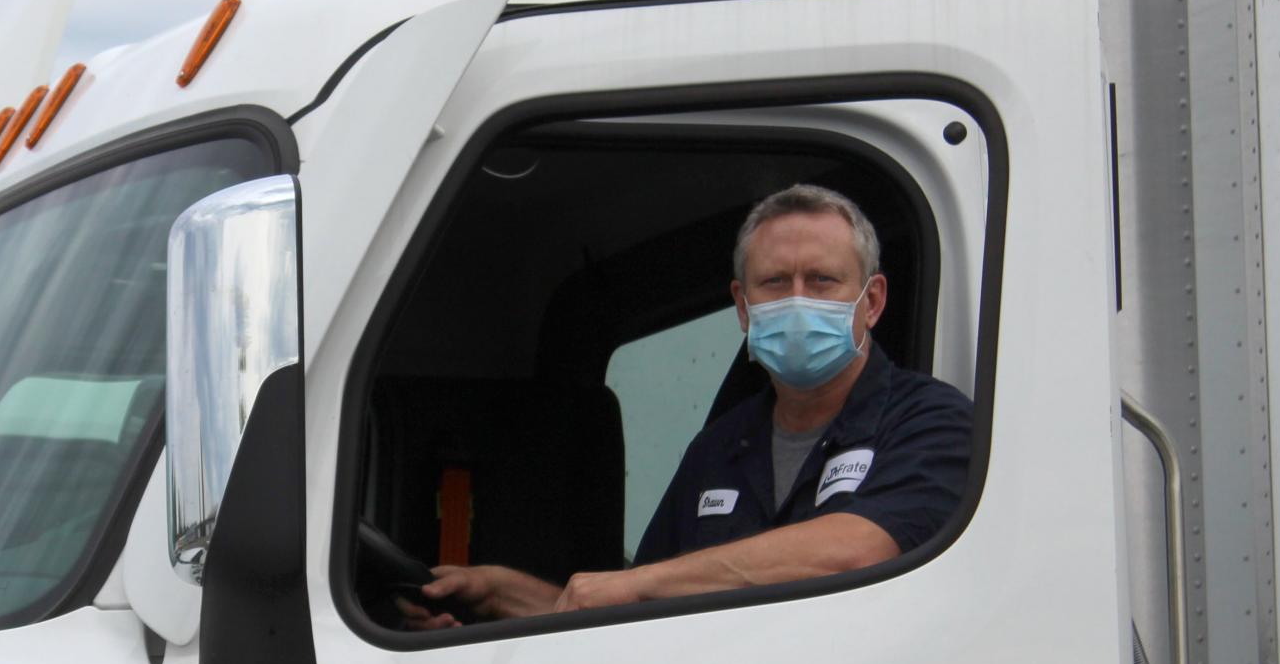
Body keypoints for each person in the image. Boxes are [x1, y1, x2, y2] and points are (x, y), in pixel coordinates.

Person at [409, 184, 972, 627]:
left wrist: (635, 585)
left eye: (822, 281)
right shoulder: (719, 447)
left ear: (871, 301)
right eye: (775, 282)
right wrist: (498, 598)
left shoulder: (934, 423)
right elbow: (644, 603)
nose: (797, 299)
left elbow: (858, 550)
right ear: (743, 306)